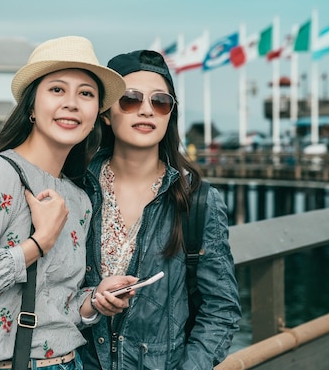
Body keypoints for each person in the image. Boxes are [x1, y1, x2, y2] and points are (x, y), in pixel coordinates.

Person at [0, 36, 139, 370]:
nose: (71, 103)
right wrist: (37, 244)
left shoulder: (79, 199)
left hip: (72, 363)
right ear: (31, 106)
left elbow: (56, 304)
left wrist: (94, 301)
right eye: (57, 90)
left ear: (95, 113)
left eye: (86, 93)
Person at [80, 50, 241, 370]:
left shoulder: (197, 201)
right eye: (130, 99)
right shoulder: (76, 190)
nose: (146, 110)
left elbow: (221, 310)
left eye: (160, 101)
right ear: (106, 114)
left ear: (170, 114)